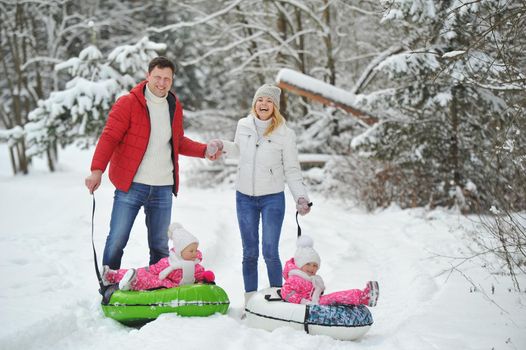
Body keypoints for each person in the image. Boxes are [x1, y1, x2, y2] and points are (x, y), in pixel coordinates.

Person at [84, 56, 221, 270]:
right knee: (117, 239)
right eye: (157, 77)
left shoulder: (173, 105)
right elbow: (109, 137)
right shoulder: (128, 103)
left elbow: (178, 141)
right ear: (148, 76)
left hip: (162, 188)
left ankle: (159, 288)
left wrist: (204, 151)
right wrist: (96, 170)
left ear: (172, 80)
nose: (162, 83)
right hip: (131, 185)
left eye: (167, 78)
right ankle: (108, 283)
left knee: (159, 246)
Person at [210, 84, 312, 304]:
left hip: (272, 198)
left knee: (269, 251)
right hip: (244, 196)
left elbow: (292, 169)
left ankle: (277, 301)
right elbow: (238, 149)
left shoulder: (285, 133)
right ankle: (250, 302)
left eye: (268, 101)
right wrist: (222, 145)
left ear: (275, 106)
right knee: (249, 252)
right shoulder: (243, 125)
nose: (263, 104)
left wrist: (301, 197)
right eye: (260, 100)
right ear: (254, 103)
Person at [102, 223, 215, 291]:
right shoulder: (169, 262)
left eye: (195, 250)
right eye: (191, 251)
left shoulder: (196, 266)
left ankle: (132, 283)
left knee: (155, 282)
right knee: (144, 274)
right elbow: (153, 269)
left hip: (173, 286)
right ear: (180, 251)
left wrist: (205, 280)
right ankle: (112, 275)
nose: (195, 253)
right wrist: (144, 271)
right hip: (165, 279)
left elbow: (201, 276)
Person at [281, 235, 379, 307]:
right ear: (300, 265)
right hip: (307, 305)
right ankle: (364, 297)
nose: (312, 268)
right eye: (308, 264)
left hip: (315, 302)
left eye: (315, 265)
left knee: (337, 297)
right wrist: (303, 301)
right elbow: (286, 292)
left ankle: (363, 297)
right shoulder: (295, 278)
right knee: (336, 297)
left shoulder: (312, 279)